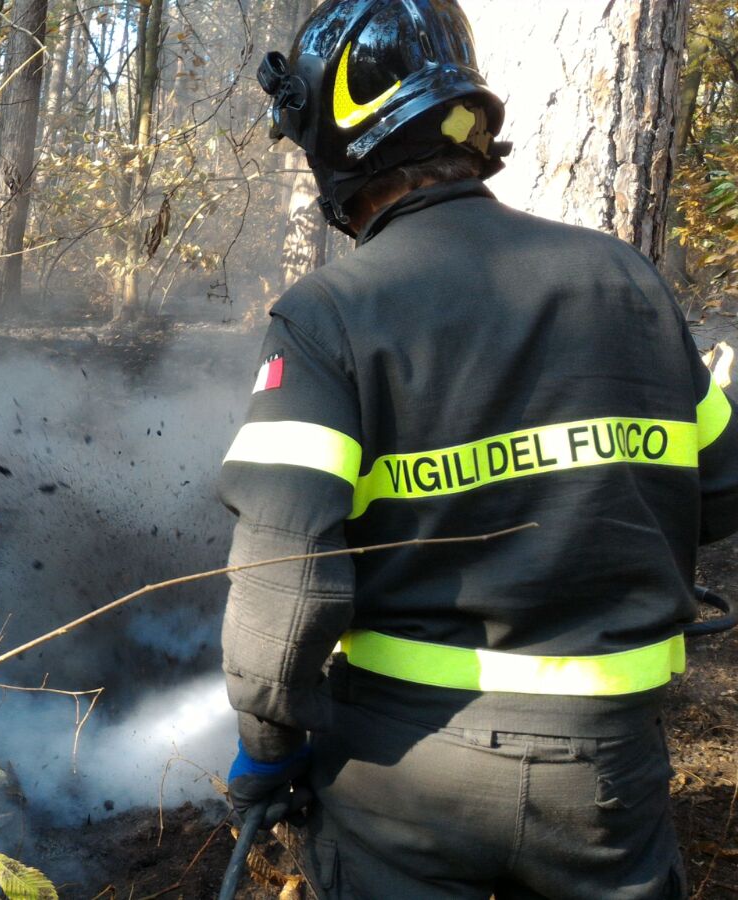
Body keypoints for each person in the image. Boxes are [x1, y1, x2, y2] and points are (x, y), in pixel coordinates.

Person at [216, 1, 738, 897]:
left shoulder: (327, 313)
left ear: (336, 146)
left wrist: (267, 745)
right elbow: (722, 491)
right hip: (607, 777)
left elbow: (287, 567)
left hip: (403, 776)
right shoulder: (625, 280)